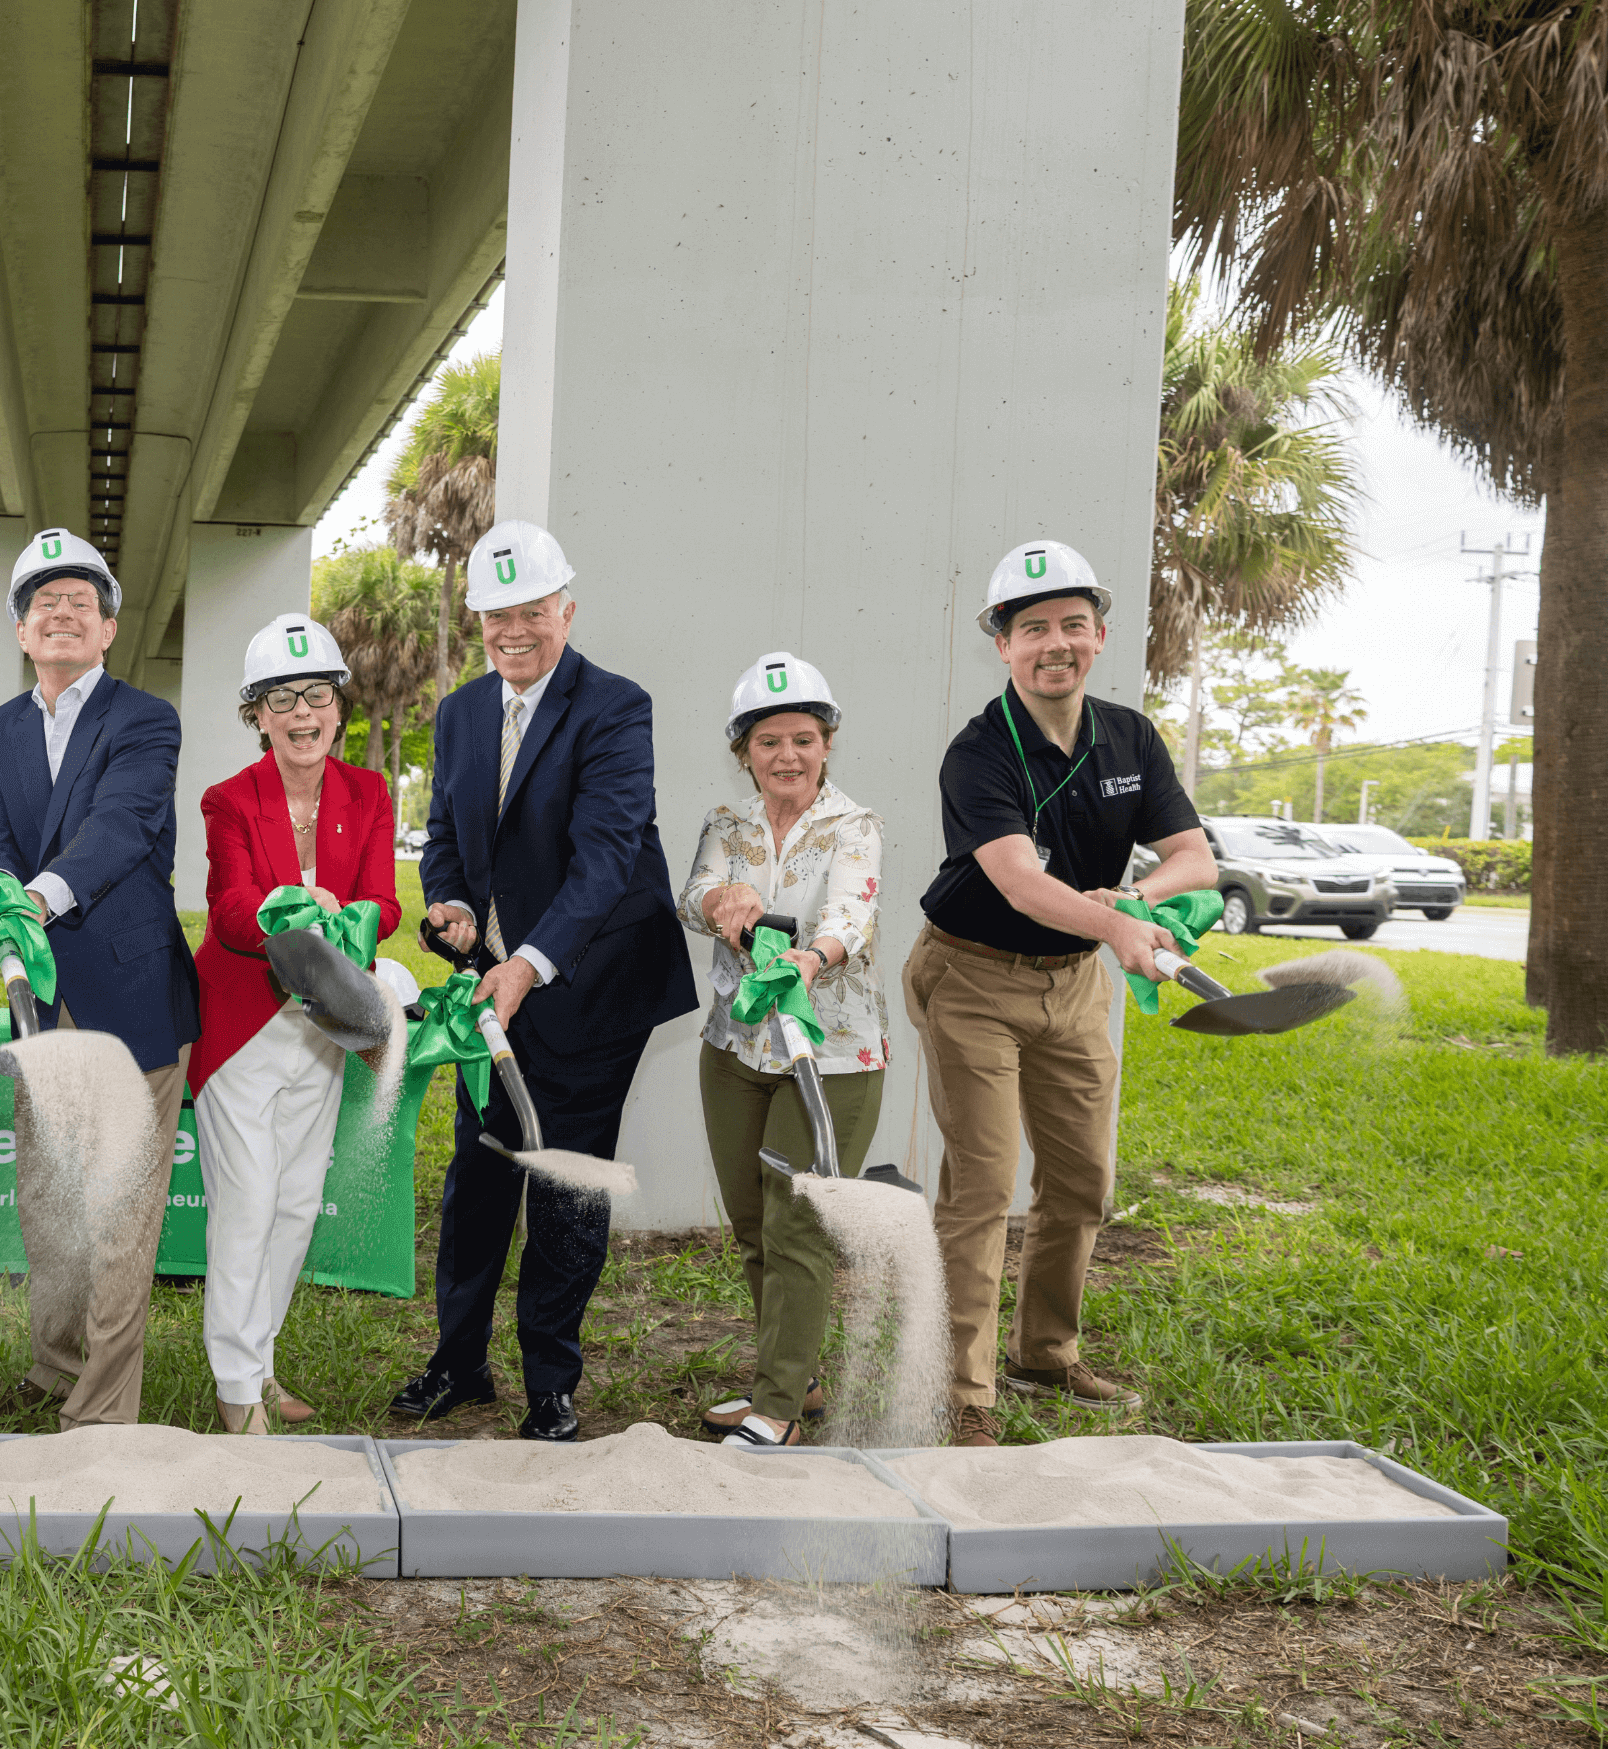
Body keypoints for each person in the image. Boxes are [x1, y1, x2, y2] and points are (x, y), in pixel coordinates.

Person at [394, 520, 697, 1443]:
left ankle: (550, 1384)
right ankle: (459, 1362)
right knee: (479, 1178)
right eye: (494, 615)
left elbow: (607, 858)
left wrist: (529, 962)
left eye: (531, 611)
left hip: (593, 984)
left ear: (566, 608)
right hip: (495, 988)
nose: (512, 631)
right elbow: (448, 834)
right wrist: (447, 905)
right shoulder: (462, 711)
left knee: (566, 1183)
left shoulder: (615, 706)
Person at [907, 539, 1213, 1447]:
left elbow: (1193, 856)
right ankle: (963, 1394)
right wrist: (1116, 927)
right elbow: (1016, 882)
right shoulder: (978, 751)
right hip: (970, 975)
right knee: (985, 1183)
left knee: (1082, 1179)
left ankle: (1045, 1351)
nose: (1055, 643)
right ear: (1002, 644)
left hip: (1072, 983)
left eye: (1072, 626)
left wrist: (1134, 900)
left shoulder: (1129, 735)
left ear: (1101, 636)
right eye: (1033, 627)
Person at [0, 528, 200, 1431]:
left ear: (107, 628)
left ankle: (100, 1415)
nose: (61, 613)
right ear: (22, 631)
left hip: (130, 998)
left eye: (81, 601)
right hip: (42, 1012)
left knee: (119, 1217)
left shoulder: (145, 720)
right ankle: (55, 1365)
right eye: (42, 602)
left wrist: (36, 898)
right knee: (49, 1197)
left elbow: (120, 826)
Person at [190, 613, 403, 1435]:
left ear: (339, 707)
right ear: (258, 715)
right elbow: (231, 910)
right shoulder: (229, 800)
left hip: (323, 1024)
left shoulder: (370, 794)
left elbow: (384, 903)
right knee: (245, 1203)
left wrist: (347, 916)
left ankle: (261, 1360)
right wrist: (291, 910)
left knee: (295, 1203)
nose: (302, 712)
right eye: (282, 698)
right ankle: (235, 1390)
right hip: (244, 1025)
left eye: (317, 694)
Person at [675, 652, 890, 1447]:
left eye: (803, 738)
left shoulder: (854, 826)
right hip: (734, 1047)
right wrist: (720, 899)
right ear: (744, 752)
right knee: (754, 1222)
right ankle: (798, 1376)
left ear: (827, 742)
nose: (787, 756)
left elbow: (851, 916)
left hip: (828, 1056)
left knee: (798, 1226)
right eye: (769, 742)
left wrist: (812, 956)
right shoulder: (727, 825)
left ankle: (774, 1409)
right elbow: (694, 896)